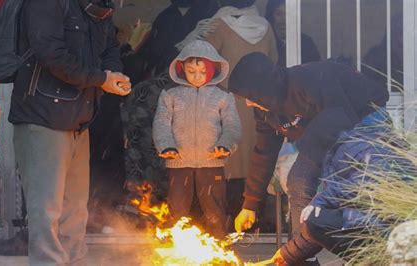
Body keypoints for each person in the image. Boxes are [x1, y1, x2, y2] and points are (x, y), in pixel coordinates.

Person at [229, 52, 389, 262]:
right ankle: (301, 257)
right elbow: (264, 152)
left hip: (363, 119)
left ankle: (361, 254)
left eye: (250, 96)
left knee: (317, 181)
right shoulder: (265, 110)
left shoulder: (310, 80)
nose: (248, 104)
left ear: (263, 89)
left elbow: (341, 121)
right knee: (298, 180)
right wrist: (250, 204)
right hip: (325, 131)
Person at [8, 0, 131, 264]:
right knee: (46, 209)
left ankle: (75, 261)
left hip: (78, 120)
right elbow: (50, 53)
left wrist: (113, 72)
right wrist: (101, 79)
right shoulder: (46, 4)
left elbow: (110, 45)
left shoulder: (97, 7)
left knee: (75, 209)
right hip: (43, 118)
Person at [269, 110, 414, 265]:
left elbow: (364, 184)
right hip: (380, 227)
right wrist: (289, 253)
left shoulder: (357, 146)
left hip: (392, 231)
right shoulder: (339, 151)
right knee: (318, 219)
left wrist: (322, 200)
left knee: (316, 220)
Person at [176, 0, 277, 182]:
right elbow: (274, 63)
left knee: (225, 166)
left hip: (226, 104)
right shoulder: (266, 27)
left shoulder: (216, 26)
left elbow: (198, 64)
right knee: (256, 163)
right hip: (261, 104)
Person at [152, 40, 241, 237]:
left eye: (202, 72)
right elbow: (161, 124)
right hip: (178, 162)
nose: (197, 77)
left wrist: (225, 145)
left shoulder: (223, 96)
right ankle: (172, 250)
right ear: (181, 68)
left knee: (215, 210)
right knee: (176, 209)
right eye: (191, 71)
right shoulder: (170, 95)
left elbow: (232, 126)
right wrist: (166, 146)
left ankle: (219, 248)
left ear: (213, 70)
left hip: (212, 162)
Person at [265, 0, 321, 67]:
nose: (284, 20)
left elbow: (317, 70)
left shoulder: (306, 42)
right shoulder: (266, 42)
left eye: (288, 13)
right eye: (278, 14)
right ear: (271, 16)